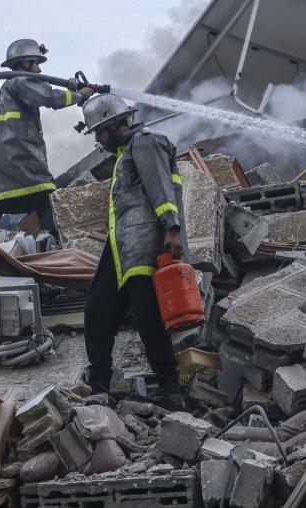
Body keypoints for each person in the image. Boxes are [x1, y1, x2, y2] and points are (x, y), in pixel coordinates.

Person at [80, 94, 188, 411]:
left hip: (146, 246)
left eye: (100, 131)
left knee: (148, 316)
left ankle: (170, 389)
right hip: (121, 246)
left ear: (116, 124)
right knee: (97, 308)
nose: (98, 140)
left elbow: (161, 187)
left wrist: (171, 228)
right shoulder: (125, 153)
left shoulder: (145, 142)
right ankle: (98, 383)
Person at [0, 39, 94, 233]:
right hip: (24, 164)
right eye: (36, 63)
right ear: (26, 62)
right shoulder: (20, 81)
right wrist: (80, 95)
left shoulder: (2, 97)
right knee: (49, 202)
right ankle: (49, 249)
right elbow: (48, 96)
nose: (39, 71)